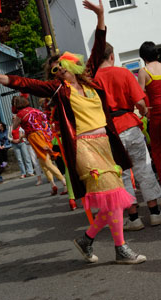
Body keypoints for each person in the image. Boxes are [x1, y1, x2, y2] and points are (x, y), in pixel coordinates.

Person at [0, 0, 146, 264]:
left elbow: (99, 48)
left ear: (73, 64)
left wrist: (100, 16)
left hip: (105, 144)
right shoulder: (57, 89)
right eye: (54, 69)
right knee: (112, 193)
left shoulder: (90, 80)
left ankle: (87, 239)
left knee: (114, 199)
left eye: (62, 65)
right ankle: (121, 248)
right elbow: (25, 83)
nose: (59, 70)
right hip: (85, 148)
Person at [91, 34, 161, 231]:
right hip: (130, 125)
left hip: (111, 131)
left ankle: (134, 218)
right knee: (144, 168)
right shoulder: (123, 73)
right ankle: (155, 213)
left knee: (121, 174)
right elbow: (140, 101)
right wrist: (144, 111)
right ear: (112, 56)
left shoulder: (94, 80)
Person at [11, 96, 67, 195]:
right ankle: (53, 184)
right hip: (45, 134)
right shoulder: (35, 110)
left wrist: (16, 119)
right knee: (43, 163)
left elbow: (14, 127)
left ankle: (64, 183)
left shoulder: (20, 113)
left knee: (46, 162)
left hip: (35, 138)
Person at [138, 42, 161, 184]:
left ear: (143, 57)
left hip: (157, 114)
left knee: (158, 150)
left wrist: (145, 111)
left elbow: (139, 95)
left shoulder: (144, 71)